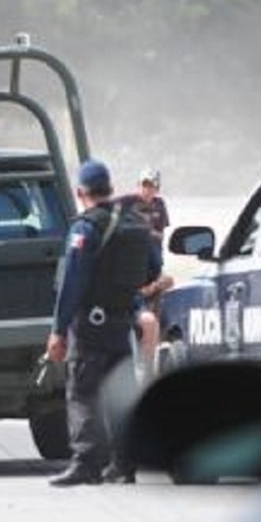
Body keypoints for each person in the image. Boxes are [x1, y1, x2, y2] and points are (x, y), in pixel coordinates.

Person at [46, 159, 163, 487]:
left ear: (80, 192)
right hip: (124, 322)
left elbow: (72, 283)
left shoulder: (86, 228)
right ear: (109, 189)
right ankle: (123, 466)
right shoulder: (137, 223)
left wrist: (58, 330)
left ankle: (85, 463)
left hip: (90, 326)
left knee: (82, 392)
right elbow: (153, 269)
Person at [120, 167, 175, 374]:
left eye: (151, 186)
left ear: (157, 188)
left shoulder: (160, 205)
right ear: (138, 185)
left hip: (153, 259)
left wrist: (147, 232)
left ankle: (160, 350)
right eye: (144, 185)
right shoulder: (130, 204)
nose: (147, 190)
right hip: (136, 266)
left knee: (166, 288)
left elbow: (161, 236)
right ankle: (144, 368)